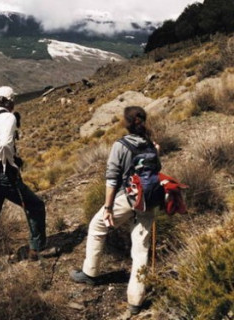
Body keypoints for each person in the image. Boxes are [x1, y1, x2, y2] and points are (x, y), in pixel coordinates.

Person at [70, 106, 160, 319]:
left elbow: (112, 179)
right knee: (141, 249)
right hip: (148, 200)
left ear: (126, 123)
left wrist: (109, 207)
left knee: (97, 226)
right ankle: (135, 302)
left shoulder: (120, 145)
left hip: (126, 198)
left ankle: (90, 273)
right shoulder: (152, 145)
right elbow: (155, 171)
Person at [0, 86, 46, 268]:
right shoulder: (8, 117)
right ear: (10, 101)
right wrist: (12, 165)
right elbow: (6, 145)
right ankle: (36, 250)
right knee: (35, 206)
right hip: (4, 173)